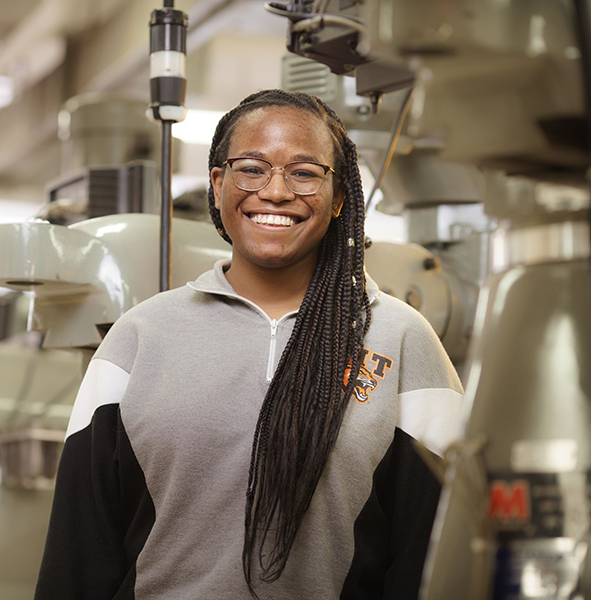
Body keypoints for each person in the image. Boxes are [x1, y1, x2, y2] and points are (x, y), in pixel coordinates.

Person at [34, 89, 464, 599]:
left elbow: (435, 557)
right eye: (252, 168)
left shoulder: (401, 338)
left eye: (305, 172)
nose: (276, 191)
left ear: (340, 196)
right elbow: (79, 554)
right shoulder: (139, 337)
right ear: (218, 185)